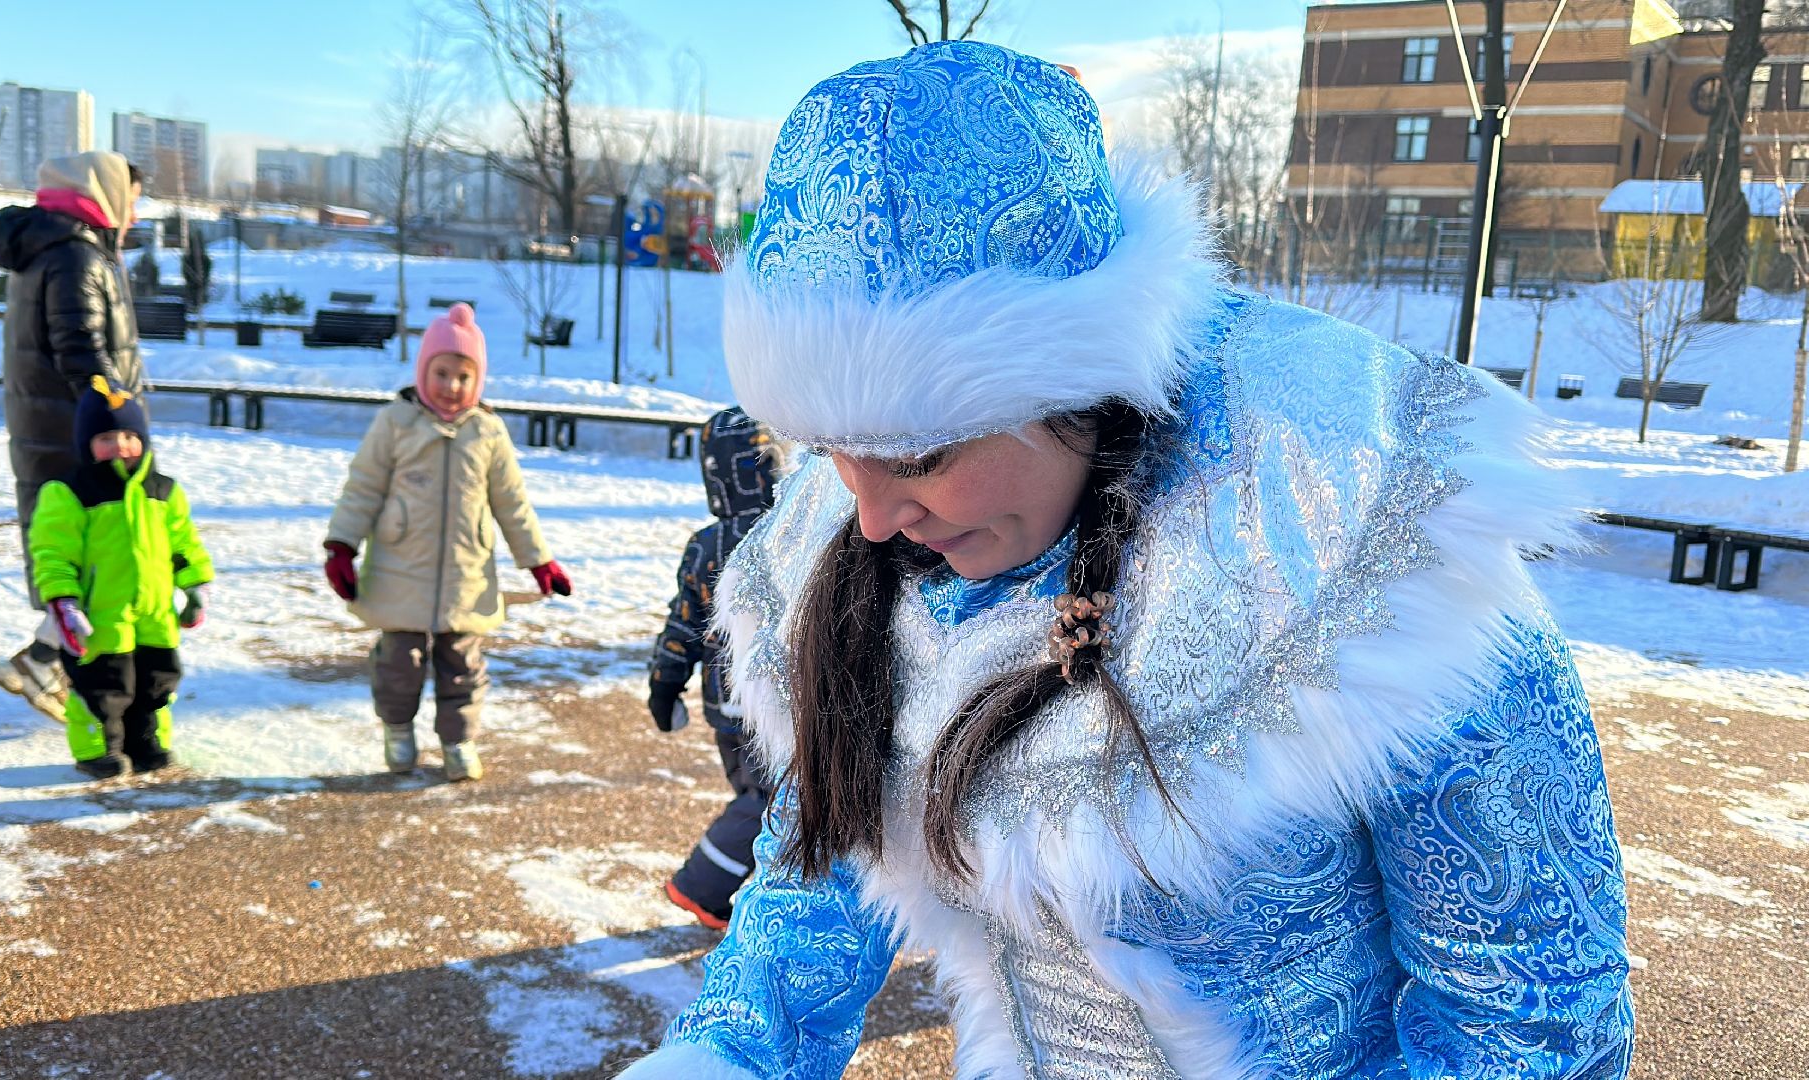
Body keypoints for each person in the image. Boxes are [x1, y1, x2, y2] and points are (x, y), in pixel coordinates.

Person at [622, 41, 1634, 1079]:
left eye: (921, 455)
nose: (871, 520)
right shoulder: (870, 565)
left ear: (1079, 383)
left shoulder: (1370, 550)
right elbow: (818, 874)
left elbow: (1532, 1010)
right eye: (834, 455)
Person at [324, 303, 571, 782]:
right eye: (441, 373)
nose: (451, 386)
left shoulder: (487, 430)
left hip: (466, 570)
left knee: (462, 663)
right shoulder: (396, 422)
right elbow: (364, 486)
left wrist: (538, 561)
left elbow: (511, 502)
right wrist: (342, 545)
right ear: (423, 370)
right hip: (399, 568)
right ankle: (397, 730)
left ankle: (458, 741)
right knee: (399, 661)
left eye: (463, 376)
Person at [0, 151, 146, 723]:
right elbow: (81, 346)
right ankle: (51, 665)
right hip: (75, 432)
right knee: (99, 555)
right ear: (106, 194)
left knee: (81, 554)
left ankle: (46, 660)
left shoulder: (50, 246)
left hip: (50, 427)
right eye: (132, 197)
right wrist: (116, 420)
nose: (135, 212)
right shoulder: (75, 254)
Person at [31, 378, 211, 779]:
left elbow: (183, 544)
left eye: (130, 435)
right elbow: (54, 553)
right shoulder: (69, 492)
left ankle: (147, 742)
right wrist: (63, 601)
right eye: (107, 437)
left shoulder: (164, 490)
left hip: (156, 611)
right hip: (100, 611)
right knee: (103, 685)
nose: (121, 446)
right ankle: (98, 750)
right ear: (87, 444)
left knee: (155, 682)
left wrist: (195, 585)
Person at [647, 407, 780, 930]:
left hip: (727, 707)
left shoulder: (707, 544)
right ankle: (699, 887)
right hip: (767, 704)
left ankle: (760, 886)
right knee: (769, 801)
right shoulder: (789, 535)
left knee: (767, 797)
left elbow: (683, 624)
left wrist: (666, 681)